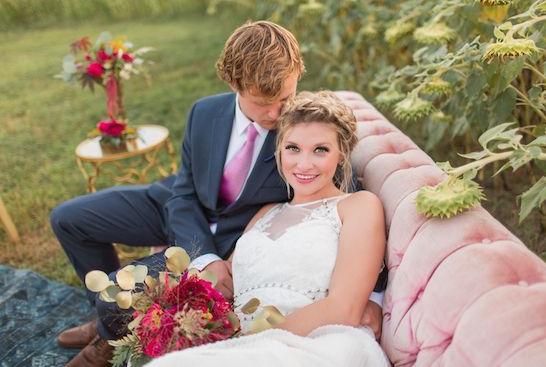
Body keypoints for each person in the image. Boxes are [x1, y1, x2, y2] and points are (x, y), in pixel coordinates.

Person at [51, 21, 386, 367]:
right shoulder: (205, 111)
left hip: (229, 239)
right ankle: (108, 322)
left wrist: (372, 296)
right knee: (69, 220)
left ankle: (108, 336)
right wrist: (202, 260)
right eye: (262, 102)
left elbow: (348, 202)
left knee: (117, 294)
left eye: (284, 98)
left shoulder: (301, 132)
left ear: (297, 75)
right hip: (180, 204)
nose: (275, 113)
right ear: (233, 84)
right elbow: (184, 191)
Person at [146, 91, 389, 366]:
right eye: (293, 148)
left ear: (341, 153)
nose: (304, 164)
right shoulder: (265, 213)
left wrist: (252, 343)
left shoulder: (357, 206)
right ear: (279, 150)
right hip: (245, 344)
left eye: (320, 149)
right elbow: (227, 292)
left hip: (319, 341)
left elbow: (345, 308)